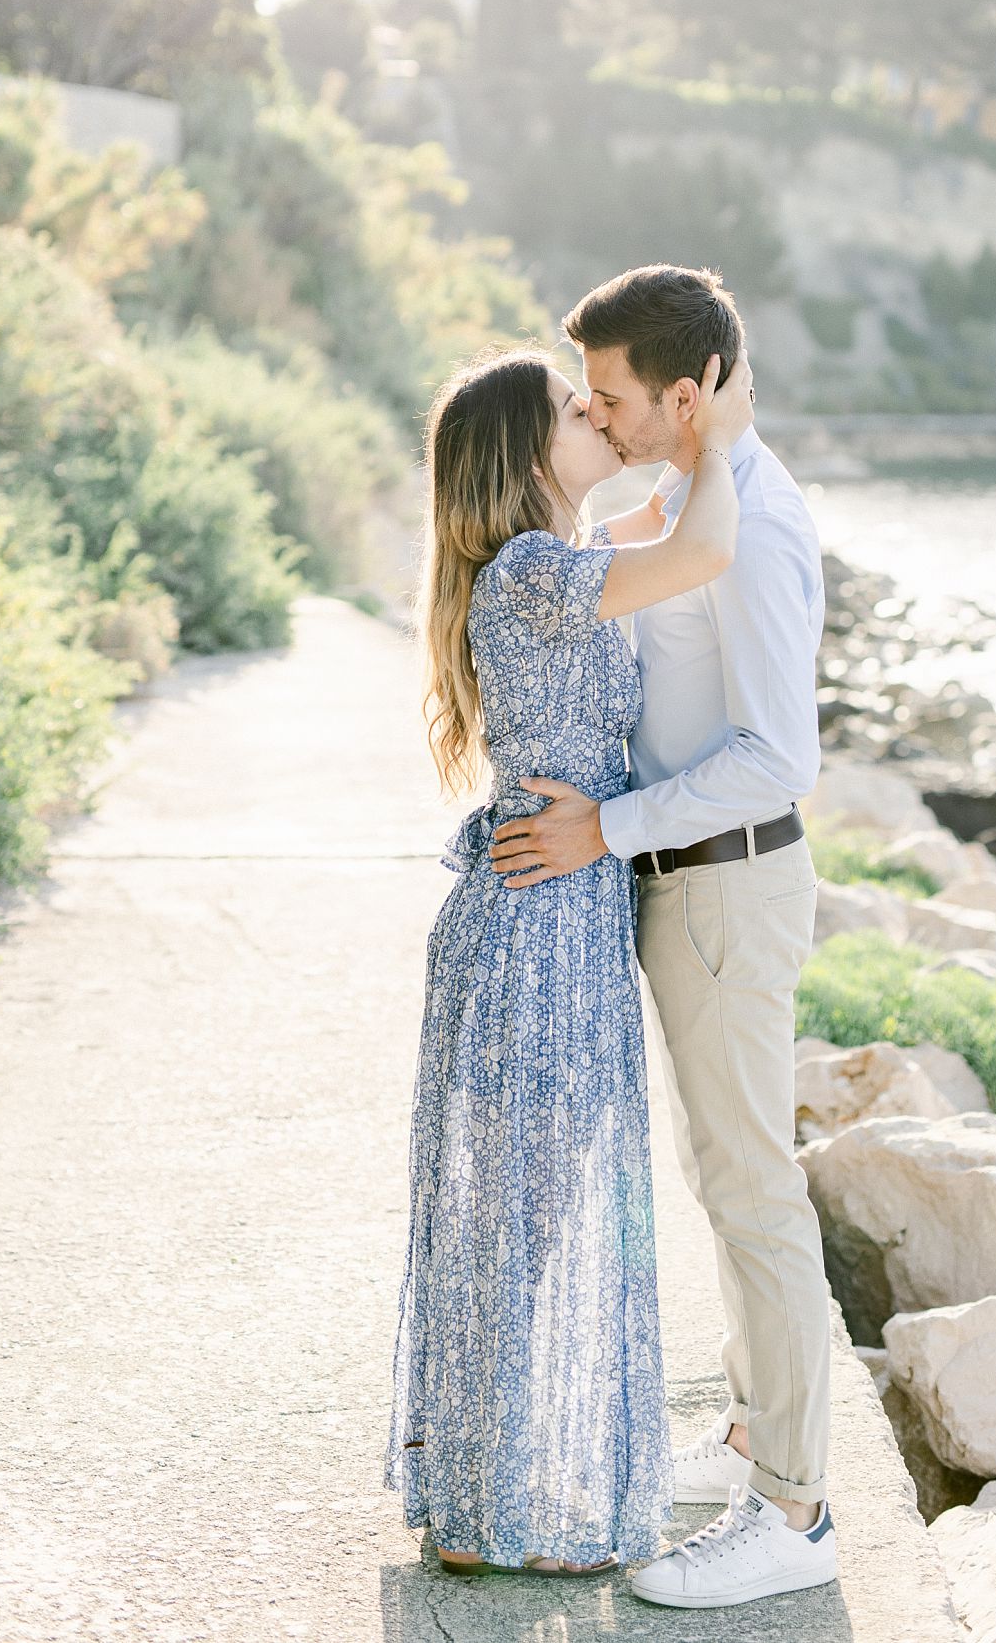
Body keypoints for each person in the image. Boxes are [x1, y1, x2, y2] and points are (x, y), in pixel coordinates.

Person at [490, 263, 837, 1610]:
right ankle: (755, 1429)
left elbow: (774, 755)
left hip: (729, 880)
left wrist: (609, 825)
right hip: (686, 887)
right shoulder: (686, 494)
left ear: (685, 394)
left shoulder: (757, 525)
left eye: (617, 393)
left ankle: (796, 1509)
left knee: (755, 1190)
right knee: (722, 1175)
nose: (596, 407)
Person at [386, 340, 755, 1575]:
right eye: (570, 405)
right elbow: (701, 549)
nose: (594, 411)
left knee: (534, 1218)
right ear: (526, 451)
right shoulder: (540, 569)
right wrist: (717, 431)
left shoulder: (552, 564)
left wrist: (676, 450)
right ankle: (504, 1511)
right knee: (536, 1220)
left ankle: (495, 1500)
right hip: (540, 924)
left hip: (560, 911)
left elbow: (660, 525)